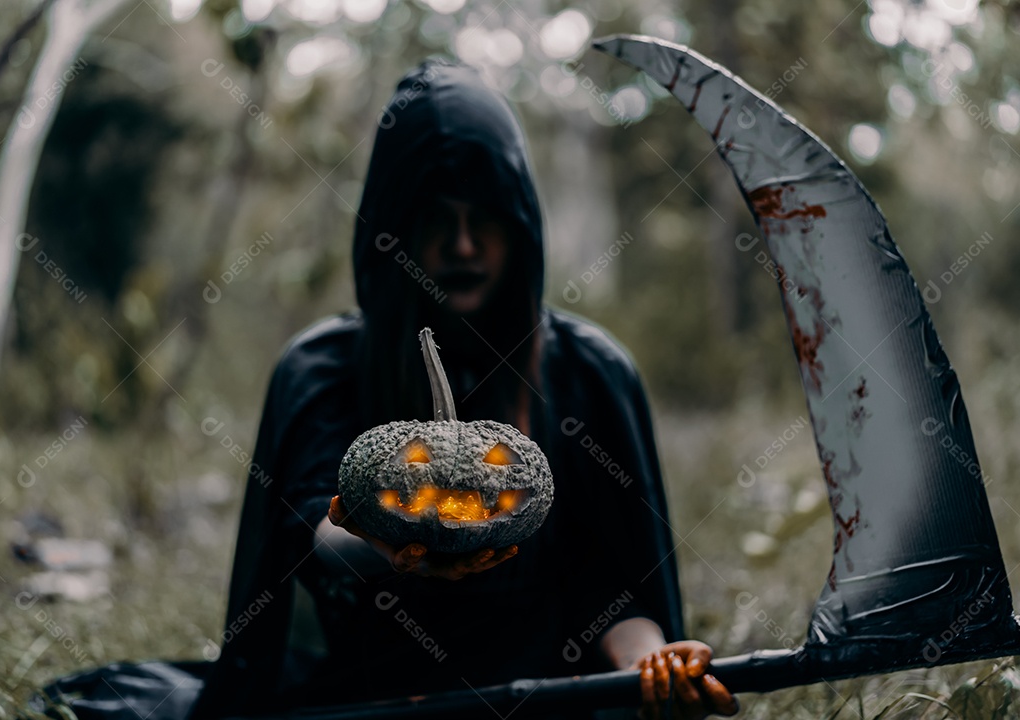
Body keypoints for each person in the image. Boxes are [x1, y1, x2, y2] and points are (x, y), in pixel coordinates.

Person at [189, 59, 738, 720]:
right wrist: (381, 539)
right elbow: (310, 530)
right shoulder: (322, 369)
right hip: (369, 706)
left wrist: (647, 661)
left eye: (486, 218)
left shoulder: (590, 373)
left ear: (521, 225)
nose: (464, 244)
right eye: (436, 219)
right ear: (394, 230)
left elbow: (615, 587)